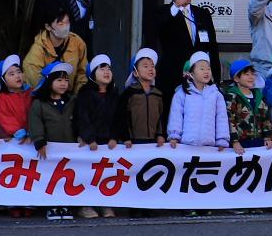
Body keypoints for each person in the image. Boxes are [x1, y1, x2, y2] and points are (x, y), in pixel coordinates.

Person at [70, 55, 122, 219]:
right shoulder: (85, 94)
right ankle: (85, 205)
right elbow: (82, 117)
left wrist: (115, 136)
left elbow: (118, 118)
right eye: (102, 68)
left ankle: (105, 203)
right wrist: (89, 137)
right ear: (92, 73)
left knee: (107, 174)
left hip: (108, 143)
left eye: (109, 69)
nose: (107, 72)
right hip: (90, 142)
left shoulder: (114, 94)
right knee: (87, 175)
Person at [155, 0, 221, 92]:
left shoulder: (203, 13)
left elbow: (212, 47)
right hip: (172, 79)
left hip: (201, 81)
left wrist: (216, 77)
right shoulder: (163, 12)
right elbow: (157, 30)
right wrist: (176, 7)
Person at [28, 61, 77, 220]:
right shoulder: (39, 103)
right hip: (50, 149)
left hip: (69, 147)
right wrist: (39, 141)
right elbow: (35, 123)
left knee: (69, 176)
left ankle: (66, 205)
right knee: (51, 177)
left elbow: (79, 120)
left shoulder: (72, 101)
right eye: (59, 80)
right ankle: (52, 205)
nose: (63, 84)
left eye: (66, 80)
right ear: (50, 82)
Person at [167, 52, 232, 150]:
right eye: (202, 69)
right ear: (191, 73)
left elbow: (221, 118)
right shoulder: (182, 93)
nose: (206, 72)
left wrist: (222, 140)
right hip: (186, 146)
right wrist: (174, 136)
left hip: (209, 148)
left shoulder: (216, 94)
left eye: (208, 69)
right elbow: (176, 116)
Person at [21, 11, 88, 97]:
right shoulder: (37, 49)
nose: (65, 27)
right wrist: (53, 98)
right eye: (60, 24)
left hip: (70, 97)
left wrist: (77, 98)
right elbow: (34, 80)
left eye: (67, 22)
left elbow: (82, 73)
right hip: (47, 98)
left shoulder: (77, 42)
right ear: (48, 27)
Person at [116, 48, 168, 145]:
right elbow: (122, 117)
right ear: (135, 73)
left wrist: (160, 135)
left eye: (152, 66)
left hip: (153, 143)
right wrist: (125, 137)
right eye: (145, 66)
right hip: (133, 143)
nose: (151, 68)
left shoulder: (158, 94)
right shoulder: (128, 94)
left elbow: (161, 117)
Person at [224, 59, 272, 149]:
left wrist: (268, 138)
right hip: (241, 145)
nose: (251, 77)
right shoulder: (231, 97)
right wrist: (234, 141)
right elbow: (229, 120)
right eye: (246, 74)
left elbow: (266, 119)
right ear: (236, 78)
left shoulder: (259, 96)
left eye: (252, 74)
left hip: (259, 143)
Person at [0, 55, 33, 143]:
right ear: (3, 80)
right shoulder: (1, 98)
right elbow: (6, 118)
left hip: (31, 137)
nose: (18, 76)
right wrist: (19, 133)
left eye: (19, 72)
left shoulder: (30, 92)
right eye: (12, 74)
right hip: (12, 138)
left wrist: (32, 132)